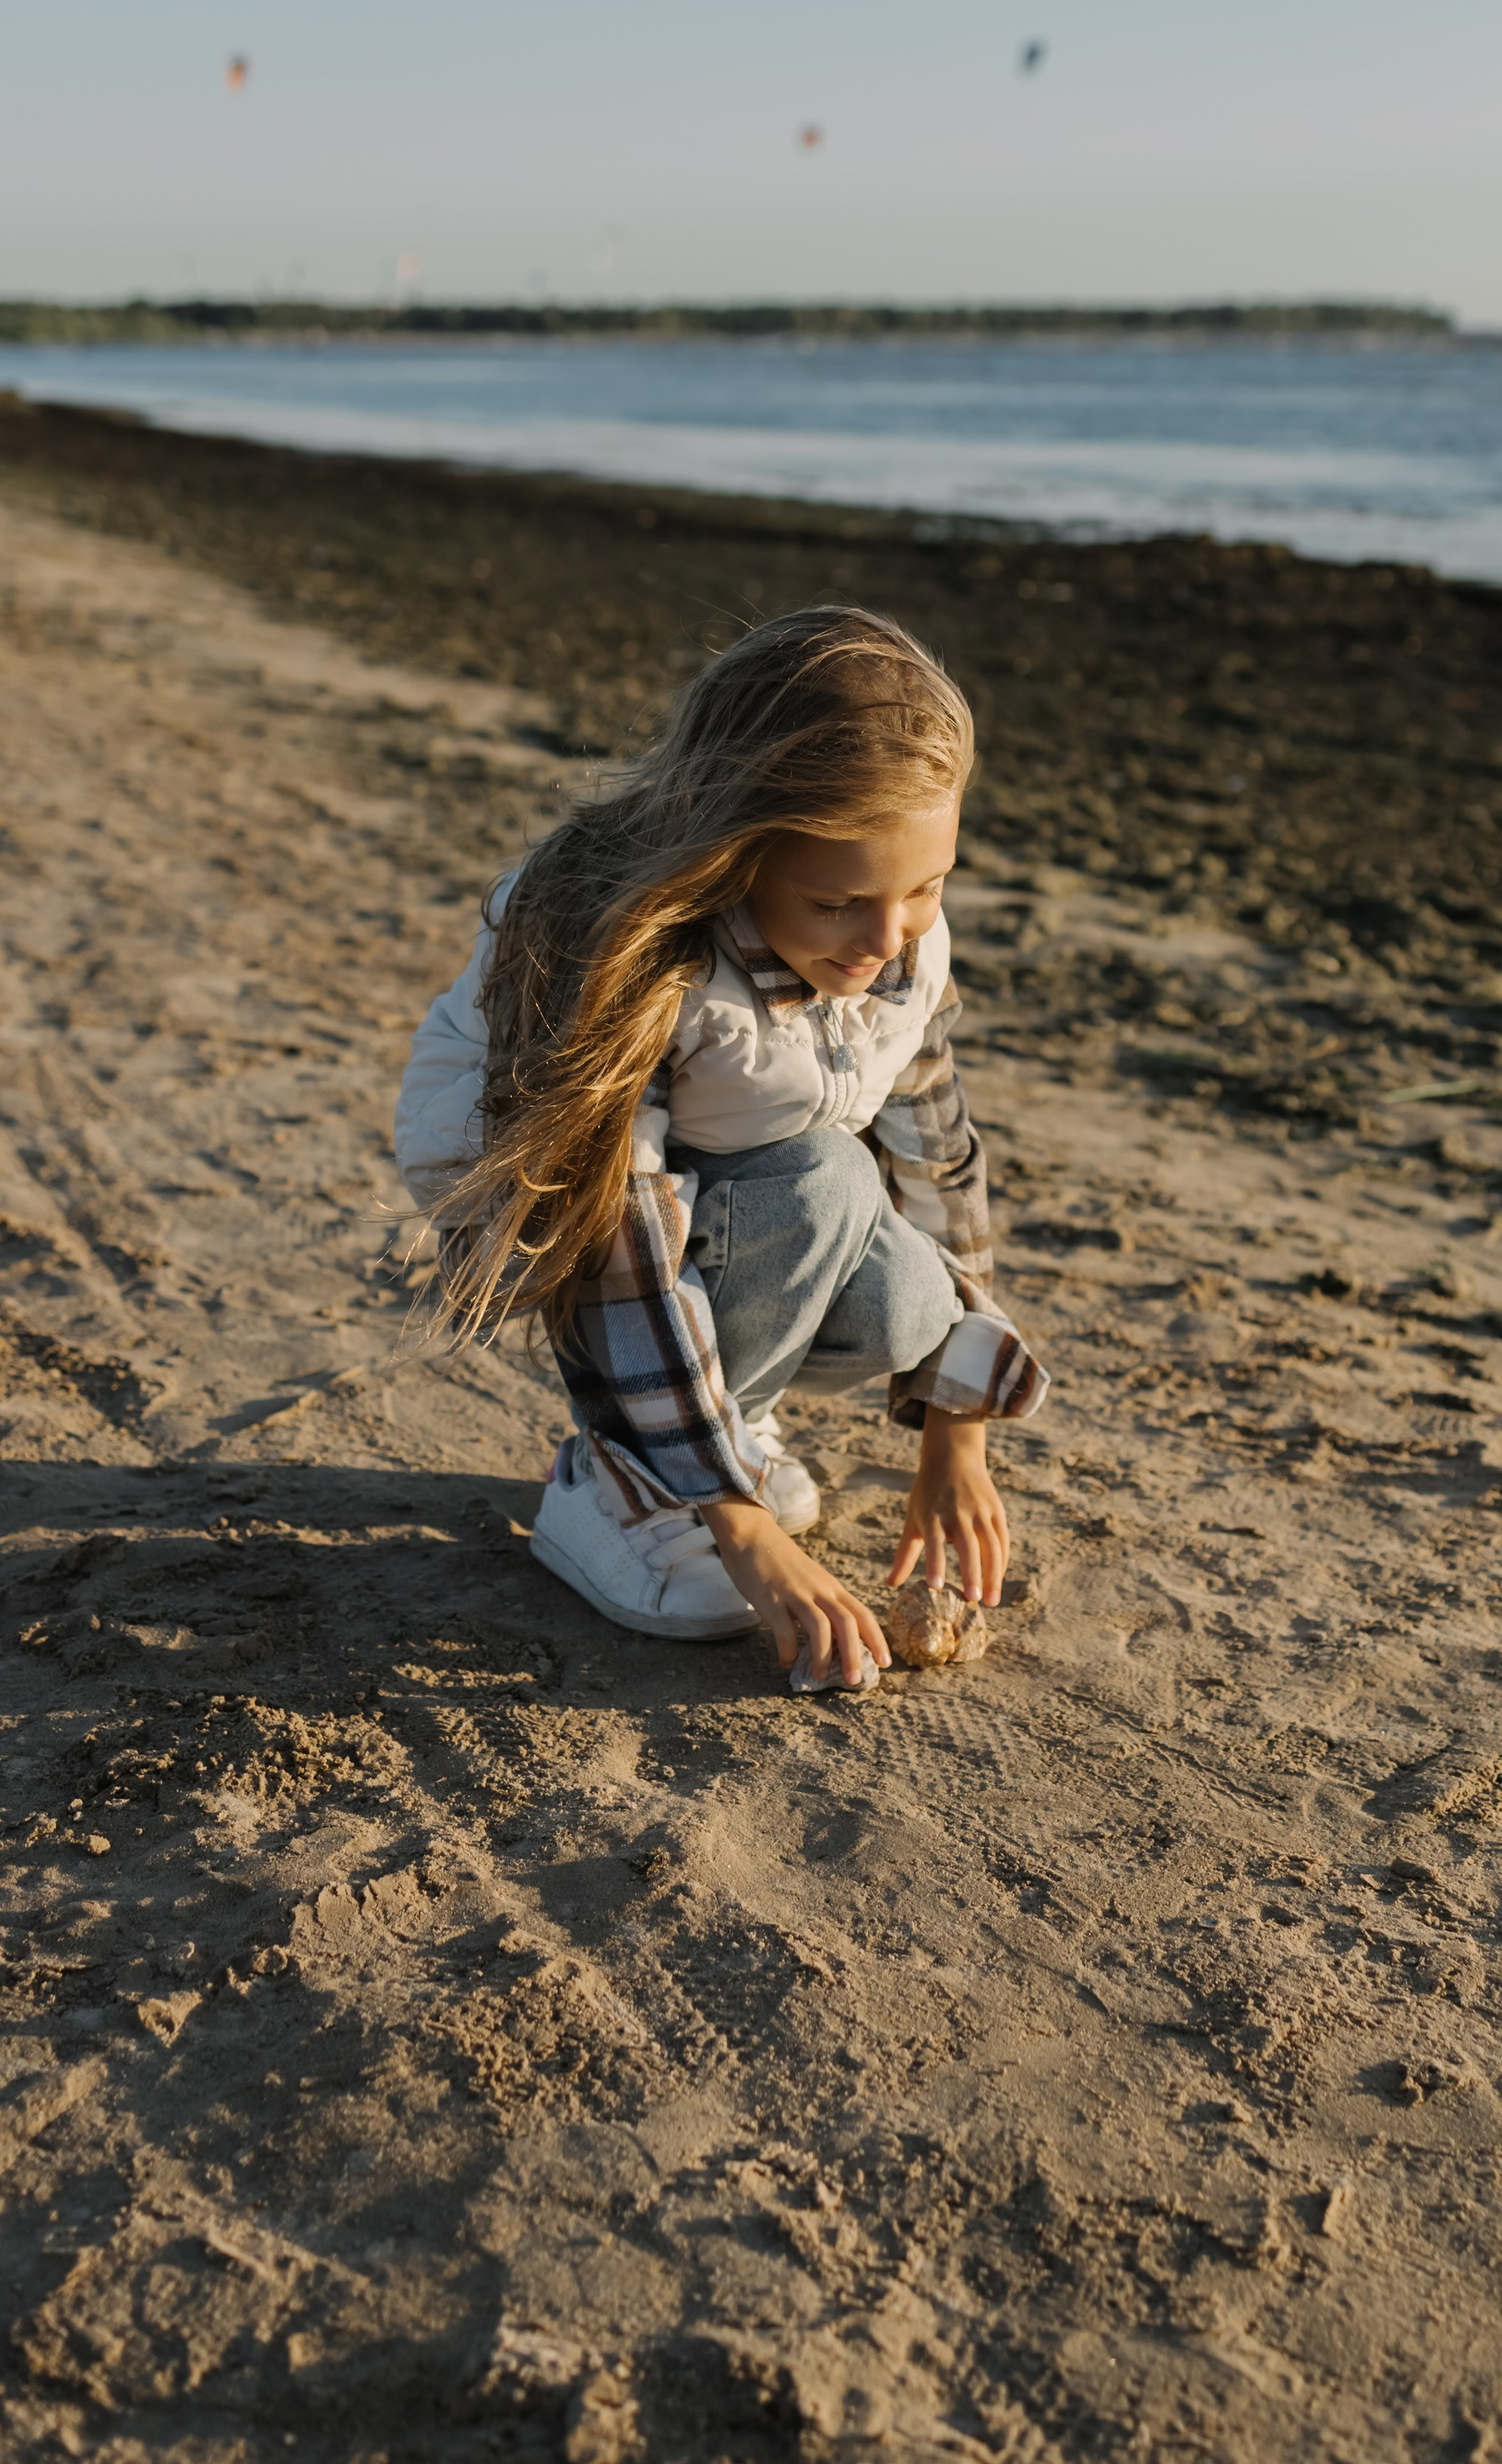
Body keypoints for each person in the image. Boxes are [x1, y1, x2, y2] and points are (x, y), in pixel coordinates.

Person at [394, 605, 1047, 1695]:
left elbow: (940, 1165)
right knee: (824, 1181)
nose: (889, 940)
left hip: (729, 1192)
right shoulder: (635, 959)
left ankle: (726, 1418)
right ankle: (623, 1481)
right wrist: (741, 1525)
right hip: (556, 1214)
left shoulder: (897, 945)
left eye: (927, 886)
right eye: (838, 901)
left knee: (906, 1291)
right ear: (735, 854)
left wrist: (956, 1433)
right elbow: (618, 1248)